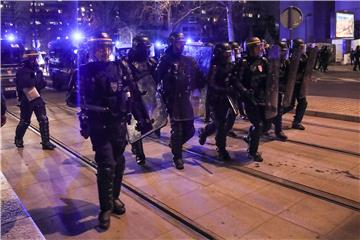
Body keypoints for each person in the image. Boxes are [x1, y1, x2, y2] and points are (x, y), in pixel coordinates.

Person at [79, 32, 133, 230]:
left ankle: (114, 198)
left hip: (118, 125)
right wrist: (91, 108)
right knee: (107, 165)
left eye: (107, 47)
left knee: (119, 163)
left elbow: (130, 92)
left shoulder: (120, 67)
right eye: (100, 48)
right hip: (99, 125)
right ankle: (105, 208)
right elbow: (72, 98)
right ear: (93, 50)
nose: (104, 51)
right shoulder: (84, 70)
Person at [156, 32, 204, 170]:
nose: (181, 45)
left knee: (190, 130)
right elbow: (156, 78)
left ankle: (175, 145)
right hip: (172, 99)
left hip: (185, 98)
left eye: (183, 43)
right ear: (172, 43)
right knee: (177, 130)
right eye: (179, 43)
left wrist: (201, 74)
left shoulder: (187, 60)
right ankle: (177, 156)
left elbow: (196, 78)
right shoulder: (165, 60)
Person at [233, 37, 269, 162]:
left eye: (261, 46)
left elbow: (270, 78)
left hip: (262, 98)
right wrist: (245, 92)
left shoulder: (263, 61)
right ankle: (252, 151)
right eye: (258, 46)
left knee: (266, 124)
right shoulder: (243, 63)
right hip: (250, 98)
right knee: (258, 124)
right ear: (251, 48)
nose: (261, 49)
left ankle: (251, 136)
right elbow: (236, 80)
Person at [198, 43, 236, 161]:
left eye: (229, 53)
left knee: (221, 123)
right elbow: (211, 84)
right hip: (215, 99)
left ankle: (205, 132)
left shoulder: (230, 65)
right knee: (221, 125)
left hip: (227, 98)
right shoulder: (214, 66)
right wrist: (225, 90)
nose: (228, 56)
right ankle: (221, 149)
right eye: (226, 53)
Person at [125, 35, 158, 166]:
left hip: (147, 97)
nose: (147, 51)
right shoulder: (126, 63)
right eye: (145, 49)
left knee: (147, 125)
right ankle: (139, 152)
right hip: (133, 99)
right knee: (135, 126)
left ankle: (135, 145)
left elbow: (155, 80)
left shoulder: (150, 62)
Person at [14, 50, 56, 150]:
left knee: (43, 120)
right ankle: (18, 139)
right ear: (27, 59)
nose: (34, 60)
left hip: (37, 98)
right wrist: (37, 79)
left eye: (35, 57)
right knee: (25, 121)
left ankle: (46, 142)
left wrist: (38, 78)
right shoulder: (22, 71)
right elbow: (27, 83)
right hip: (26, 99)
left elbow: (41, 84)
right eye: (31, 57)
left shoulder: (38, 70)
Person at [263, 41, 289, 141]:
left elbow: (287, 77)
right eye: (282, 51)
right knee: (268, 110)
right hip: (268, 90)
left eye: (284, 51)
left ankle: (278, 130)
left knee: (279, 110)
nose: (283, 53)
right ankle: (265, 127)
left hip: (278, 90)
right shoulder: (267, 61)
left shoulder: (286, 62)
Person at [285, 39, 308, 130]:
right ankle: (273, 117)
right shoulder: (291, 56)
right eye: (301, 47)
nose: (303, 48)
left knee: (303, 103)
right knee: (290, 105)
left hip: (300, 84)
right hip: (293, 84)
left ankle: (297, 122)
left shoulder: (304, 56)